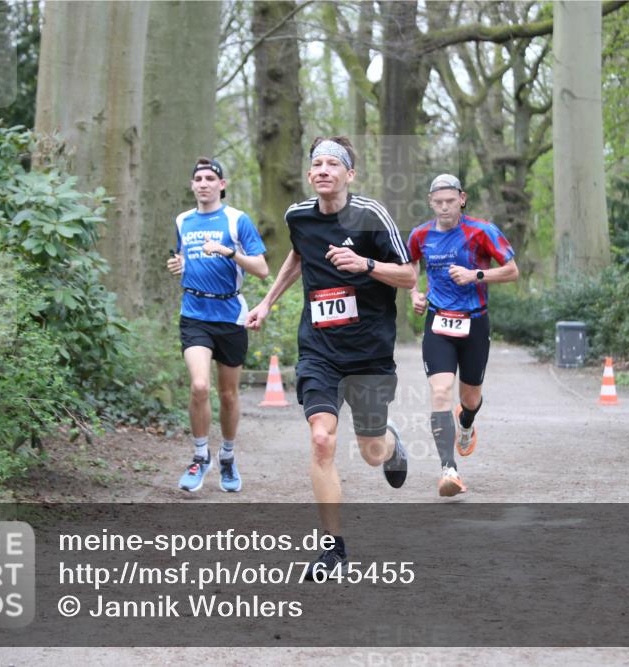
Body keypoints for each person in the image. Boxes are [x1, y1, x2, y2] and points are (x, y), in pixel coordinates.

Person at [246, 136, 415, 578]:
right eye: (315, 164)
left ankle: (392, 445)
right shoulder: (297, 216)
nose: (322, 170)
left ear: (349, 174)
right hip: (320, 349)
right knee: (322, 439)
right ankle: (333, 550)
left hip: (370, 351)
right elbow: (297, 258)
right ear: (309, 175)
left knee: (372, 451)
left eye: (332, 163)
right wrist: (267, 302)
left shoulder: (371, 216)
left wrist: (366, 266)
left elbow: (410, 274)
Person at [407, 174, 519, 497]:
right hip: (438, 323)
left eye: (450, 201)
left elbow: (512, 270)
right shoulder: (420, 235)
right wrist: (414, 292)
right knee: (440, 391)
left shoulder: (481, 232)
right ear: (431, 202)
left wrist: (476, 274)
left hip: (474, 323)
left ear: (462, 199)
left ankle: (466, 421)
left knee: (469, 398)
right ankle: (448, 468)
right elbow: (409, 264)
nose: (444, 207)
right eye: (438, 202)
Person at [168, 157, 269, 493]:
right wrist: (179, 264)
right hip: (194, 312)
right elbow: (184, 256)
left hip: (230, 315)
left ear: (222, 184)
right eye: (198, 178)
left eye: (210, 178)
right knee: (199, 386)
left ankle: (227, 456)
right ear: (192, 185)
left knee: (227, 394)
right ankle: (199, 456)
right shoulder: (183, 220)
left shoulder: (237, 220)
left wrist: (230, 253)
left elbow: (262, 269)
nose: (204, 183)